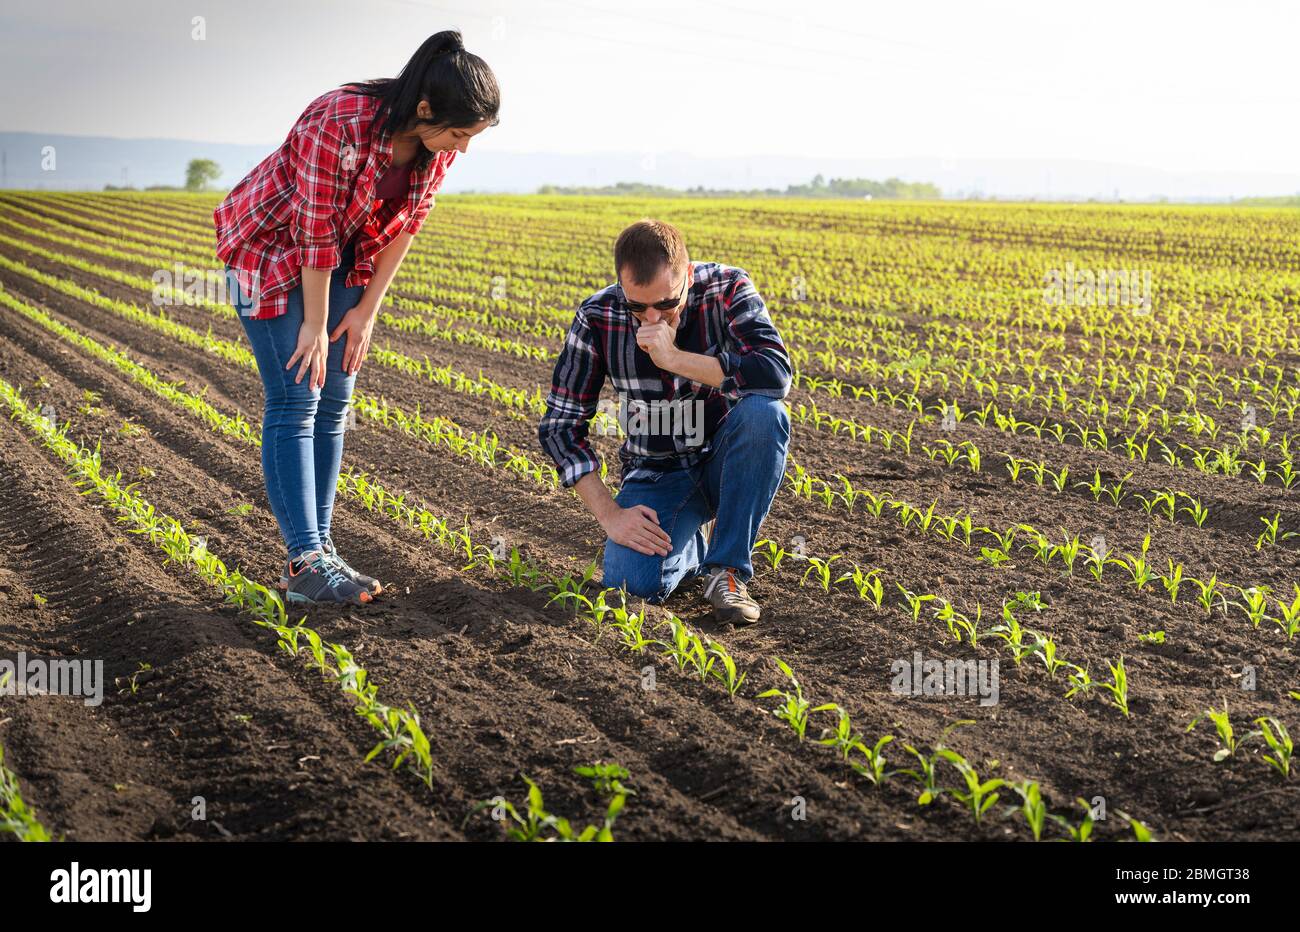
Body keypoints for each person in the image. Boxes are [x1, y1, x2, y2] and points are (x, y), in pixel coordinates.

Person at [214, 30, 499, 605]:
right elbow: (312, 230)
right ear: (425, 109)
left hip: (344, 261)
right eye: (461, 133)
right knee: (296, 396)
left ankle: (323, 552)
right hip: (269, 254)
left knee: (335, 398)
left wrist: (366, 313)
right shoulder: (338, 119)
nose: (463, 148)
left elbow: (408, 225)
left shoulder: (433, 148)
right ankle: (306, 562)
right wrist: (314, 326)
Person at [539, 219, 792, 625]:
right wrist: (611, 515)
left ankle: (726, 571)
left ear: (688, 276)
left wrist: (675, 360)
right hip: (657, 472)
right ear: (621, 286)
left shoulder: (727, 289)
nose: (651, 319)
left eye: (666, 304)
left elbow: (774, 374)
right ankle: (689, 546)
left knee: (765, 414)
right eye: (637, 307)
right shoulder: (597, 315)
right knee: (632, 585)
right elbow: (560, 426)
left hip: (726, 462)